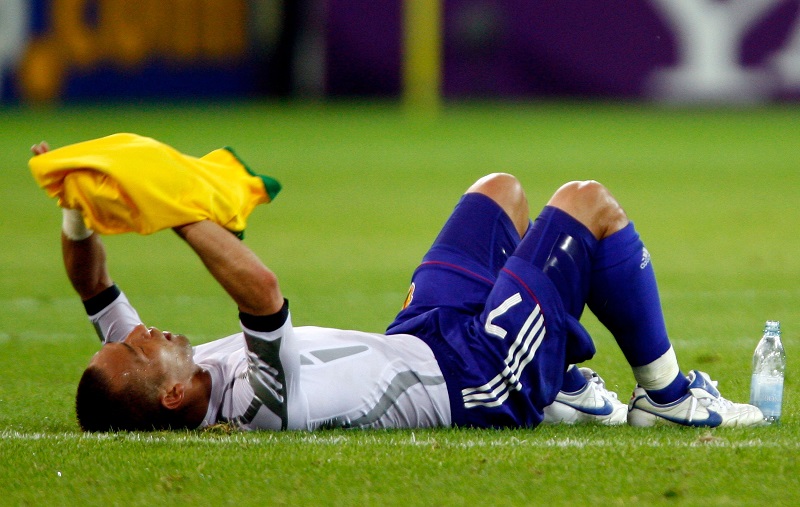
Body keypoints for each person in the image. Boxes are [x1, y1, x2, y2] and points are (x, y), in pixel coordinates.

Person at [31, 140, 764, 432]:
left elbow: (93, 286)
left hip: (422, 338)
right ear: (168, 394)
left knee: (500, 191)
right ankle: (669, 399)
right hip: (474, 377)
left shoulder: (161, 373)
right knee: (587, 201)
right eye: (137, 349)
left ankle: (564, 379)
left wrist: (74, 204)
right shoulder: (257, 402)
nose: (138, 331)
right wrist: (175, 207)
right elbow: (260, 288)